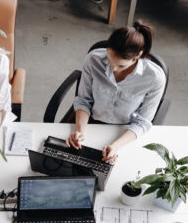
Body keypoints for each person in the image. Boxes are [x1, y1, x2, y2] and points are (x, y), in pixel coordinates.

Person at [67, 21, 166, 163]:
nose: (112, 70)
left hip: (125, 130)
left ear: (138, 55)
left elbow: (143, 122)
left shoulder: (155, 78)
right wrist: (80, 133)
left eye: (120, 65)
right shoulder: (93, 59)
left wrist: (116, 146)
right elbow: (83, 100)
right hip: (92, 122)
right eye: (109, 60)